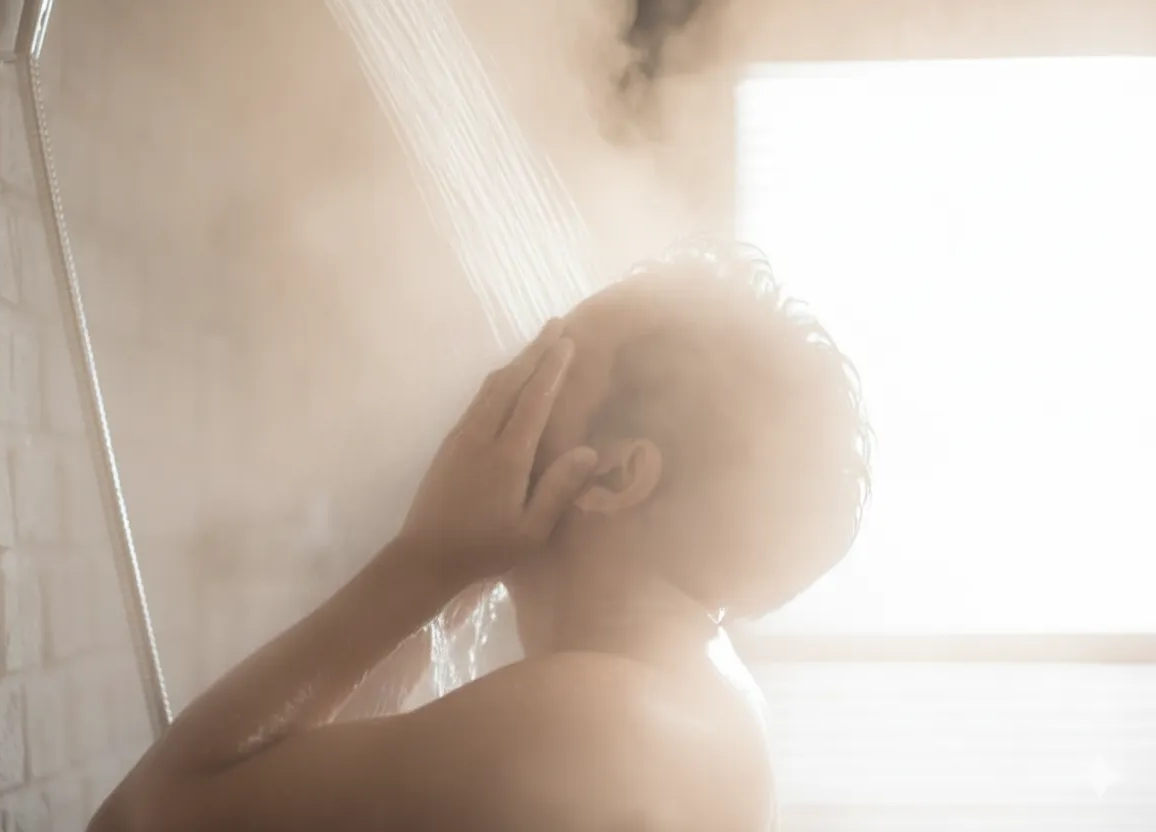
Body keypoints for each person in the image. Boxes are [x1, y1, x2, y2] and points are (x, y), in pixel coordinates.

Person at [88, 240, 871, 832]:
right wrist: (448, 578)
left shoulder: (591, 720)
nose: (502, 382)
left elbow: (138, 821)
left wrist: (423, 564)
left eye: (548, 363)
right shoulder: (705, 693)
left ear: (615, 478)